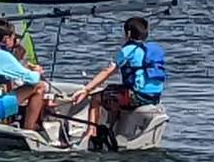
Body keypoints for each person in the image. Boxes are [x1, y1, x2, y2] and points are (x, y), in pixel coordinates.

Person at [69, 16, 167, 147]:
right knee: (113, 92)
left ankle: (90, 133)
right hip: (154, 97)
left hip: (137, 96)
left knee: (97, 98)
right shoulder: (152, 50)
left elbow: (108, 71)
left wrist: (87, 89)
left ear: (128, 33)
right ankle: (113, 130)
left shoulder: (127, 50)